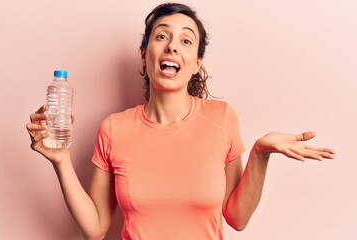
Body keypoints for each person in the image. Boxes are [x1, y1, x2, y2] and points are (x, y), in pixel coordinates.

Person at [26, 3, 335, 240]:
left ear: (196, 63)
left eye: (186, 41)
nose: (172, 45)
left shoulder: (222, 118)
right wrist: (61, 161)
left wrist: (261, 152)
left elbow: (237, 218)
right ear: (145, 54)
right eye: (162, 36)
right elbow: (95, 229)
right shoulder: (114, 128)